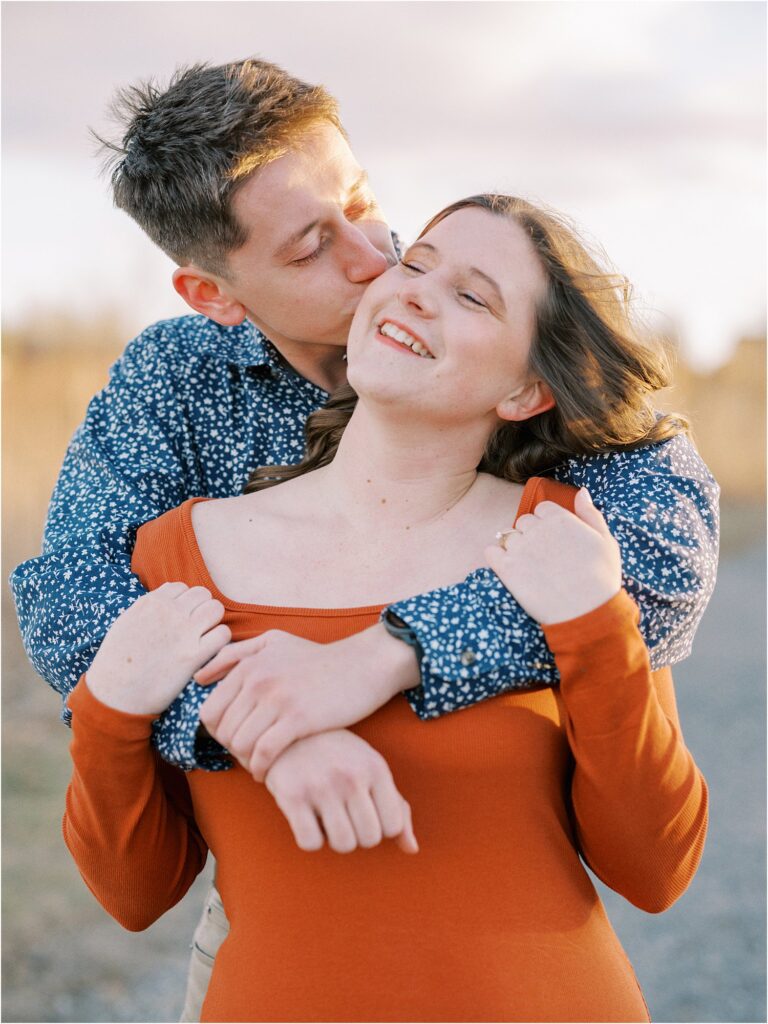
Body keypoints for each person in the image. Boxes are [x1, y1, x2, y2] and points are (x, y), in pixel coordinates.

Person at [11, 58, 716, 1017]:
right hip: (277, 926)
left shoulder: (536, 453)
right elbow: (79, 604)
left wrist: (387, 653)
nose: (380, 261)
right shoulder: (179, 392)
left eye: (366, 206)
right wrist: (265, 733)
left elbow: (659, 543)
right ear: (214, 293)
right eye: (311, 249)